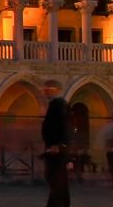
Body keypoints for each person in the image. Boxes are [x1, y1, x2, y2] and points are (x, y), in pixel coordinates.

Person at [42, 79, 71, 207]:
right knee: (59, 180)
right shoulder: (56, 104)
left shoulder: (59, 104)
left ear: (56, 90)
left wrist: (58, 144)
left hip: (56, 149)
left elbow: (64, 125)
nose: (45, 92)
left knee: (56, 179)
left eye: (49, 89)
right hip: (55, 147)